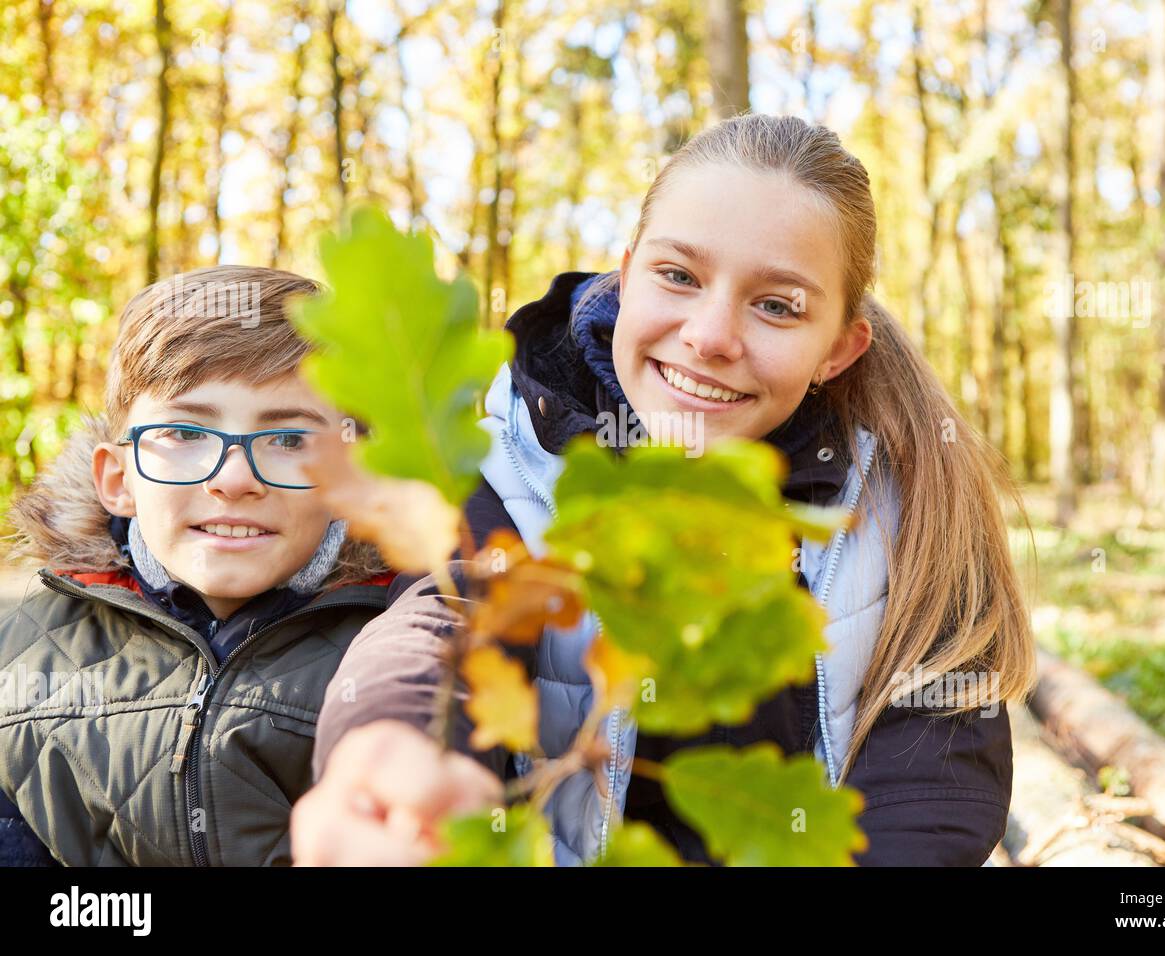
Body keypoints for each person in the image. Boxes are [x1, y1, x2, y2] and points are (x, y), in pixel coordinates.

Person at [293, 114, 1037, 867]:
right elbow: (440, 617)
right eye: (678, 276)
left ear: (838, 351)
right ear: (627, 271)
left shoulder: (902, 505)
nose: (711, 336)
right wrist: (388, 741)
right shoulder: (502, 454)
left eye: (777, 305)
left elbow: (936, 778)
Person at [0, 266, 393, 866]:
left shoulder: (403, 640)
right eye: (185, 432)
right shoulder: (26, 656)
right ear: (117, 479)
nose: (232, 480)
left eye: (289, 439)